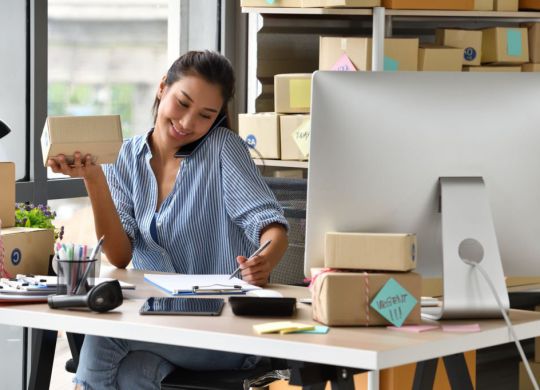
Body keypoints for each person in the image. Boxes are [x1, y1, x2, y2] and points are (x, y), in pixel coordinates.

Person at [48, 50, 289, 390]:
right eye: (182, 103)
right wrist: (94, 179)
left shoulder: (223, 149)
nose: (188, 123)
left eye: (206, 115)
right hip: (158, 323)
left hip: (225, 329)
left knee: (106, 338)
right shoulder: (125, 157)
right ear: (163, 87)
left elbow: (271, 227)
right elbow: (119, 255)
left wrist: (265, 259)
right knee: (135, 372)